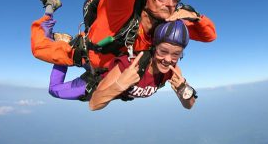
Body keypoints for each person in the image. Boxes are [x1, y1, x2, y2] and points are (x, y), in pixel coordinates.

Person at [31, 0, 216, 69]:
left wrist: (196, 17)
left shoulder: (165, 25)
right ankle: (50, 9)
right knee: (39, 48)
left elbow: (209, 36)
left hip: (109, 68)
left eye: (175, 0)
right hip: (83, 55)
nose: (169, 4)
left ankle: (62, 34)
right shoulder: (122, 12)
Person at [45, 17, 197, 110]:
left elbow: (189, 105)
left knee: (85, 59)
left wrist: (184, 88)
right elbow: (94, 104)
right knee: (54, 90)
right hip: (98, 76)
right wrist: (119, 85)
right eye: (163, 51)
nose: (168, 59)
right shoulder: (130, 66)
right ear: (154, 47)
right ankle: (62, 47)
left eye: (176, 54)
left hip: (103, 64)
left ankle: (74, 48)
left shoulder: (173, 71)